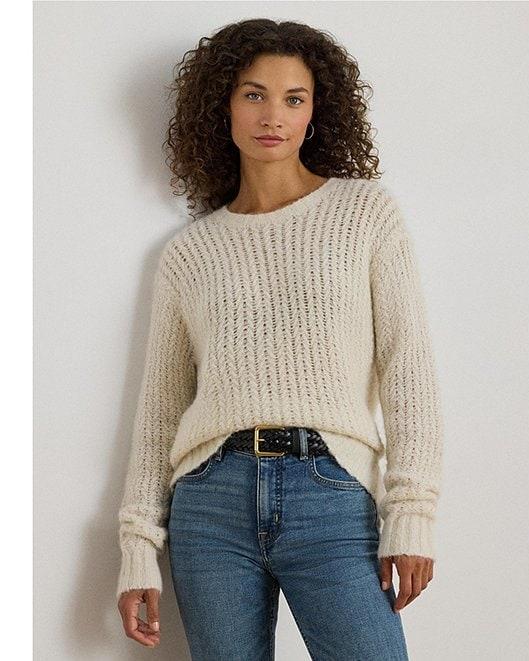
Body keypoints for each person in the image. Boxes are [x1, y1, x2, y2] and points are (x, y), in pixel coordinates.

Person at [116, 18, 443, 661]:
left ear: (316, 111)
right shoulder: (190, 253)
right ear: (223, 107)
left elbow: (409, 369)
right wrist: (136, 548)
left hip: (331, 492)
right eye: (253, 94)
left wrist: (412, 512)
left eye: (294, 98)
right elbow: (159, 411)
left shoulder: (365, 213)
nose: (273, 116)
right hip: (210, 503)